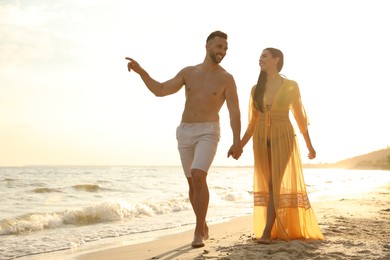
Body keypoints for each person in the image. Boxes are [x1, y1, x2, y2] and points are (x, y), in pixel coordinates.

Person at [125, 31, 242, 248]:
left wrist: (237, 141)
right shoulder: (189, 72)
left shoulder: (226, 78)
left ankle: (198, 232)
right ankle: (203, 222)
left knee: (199, 176)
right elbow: (160, 90)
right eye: (219, 46)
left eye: (225, 48)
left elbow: (234, 112)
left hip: (209, 131)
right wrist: (142, 72)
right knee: (191, 181)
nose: (222, 51)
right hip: (185, 131)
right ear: (207, 47)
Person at [239, 48, 324, 243]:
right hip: (260, 137)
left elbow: (299, 117)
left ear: (276, 60)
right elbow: (252, 123)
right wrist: (240, 146)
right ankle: (271, 228)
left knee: (274, 183)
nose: (260, 59)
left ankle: (267, 232)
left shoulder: (291, 85)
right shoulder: (255, 89)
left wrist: (310, 146)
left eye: (264, 56)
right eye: (260, 56)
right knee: (267, 182)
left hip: (283, 135)